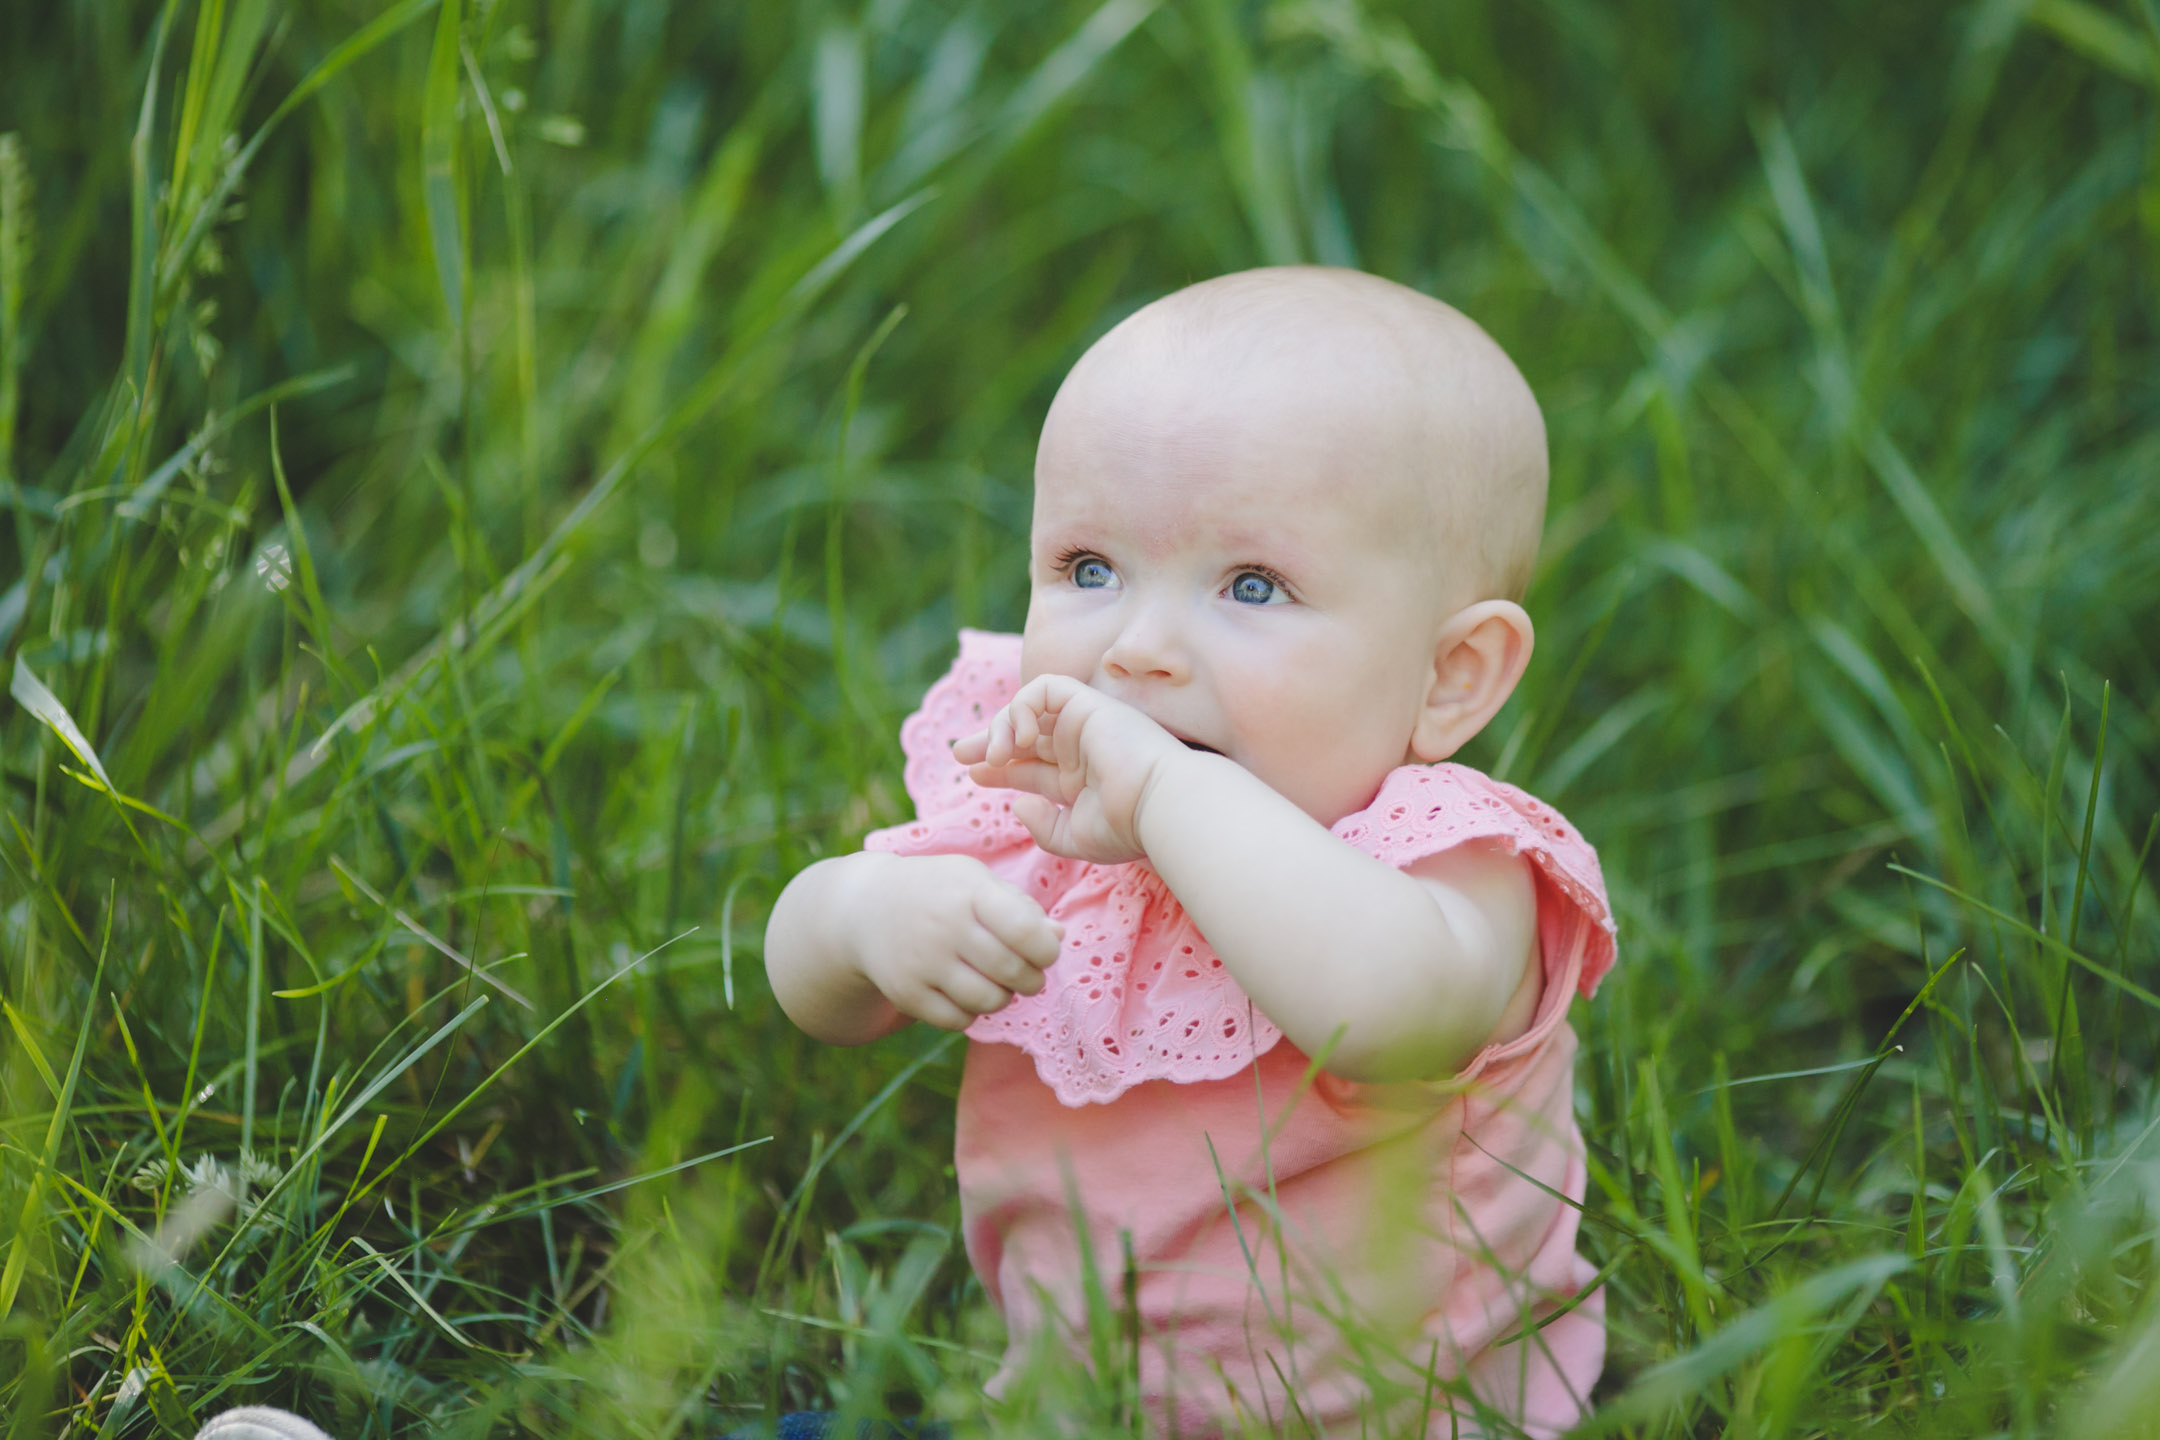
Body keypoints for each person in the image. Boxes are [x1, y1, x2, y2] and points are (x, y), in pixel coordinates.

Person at [764, 266, 1617, 1438]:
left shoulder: (1451, 865)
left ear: (1448, 675)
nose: (1137, 648)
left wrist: (1170, 789)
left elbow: (1387, 1011)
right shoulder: (1043, 802)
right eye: (1088, 570)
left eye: (1252, 586)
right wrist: (858, 917)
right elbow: (820, 1002)